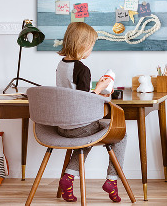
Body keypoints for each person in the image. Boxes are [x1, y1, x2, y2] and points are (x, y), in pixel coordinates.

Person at [56, 22, 127, 203]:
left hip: (62, 126)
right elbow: (84, 101)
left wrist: (97, 90)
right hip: (79, 126)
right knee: (121, 134)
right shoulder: (82, 69)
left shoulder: (61, 65)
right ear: (82, 45)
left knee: (86, 138)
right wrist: (100, 89)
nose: (91, 50)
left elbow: (73, 95)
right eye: (91, 46)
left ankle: (69, 178)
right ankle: (112, 180)